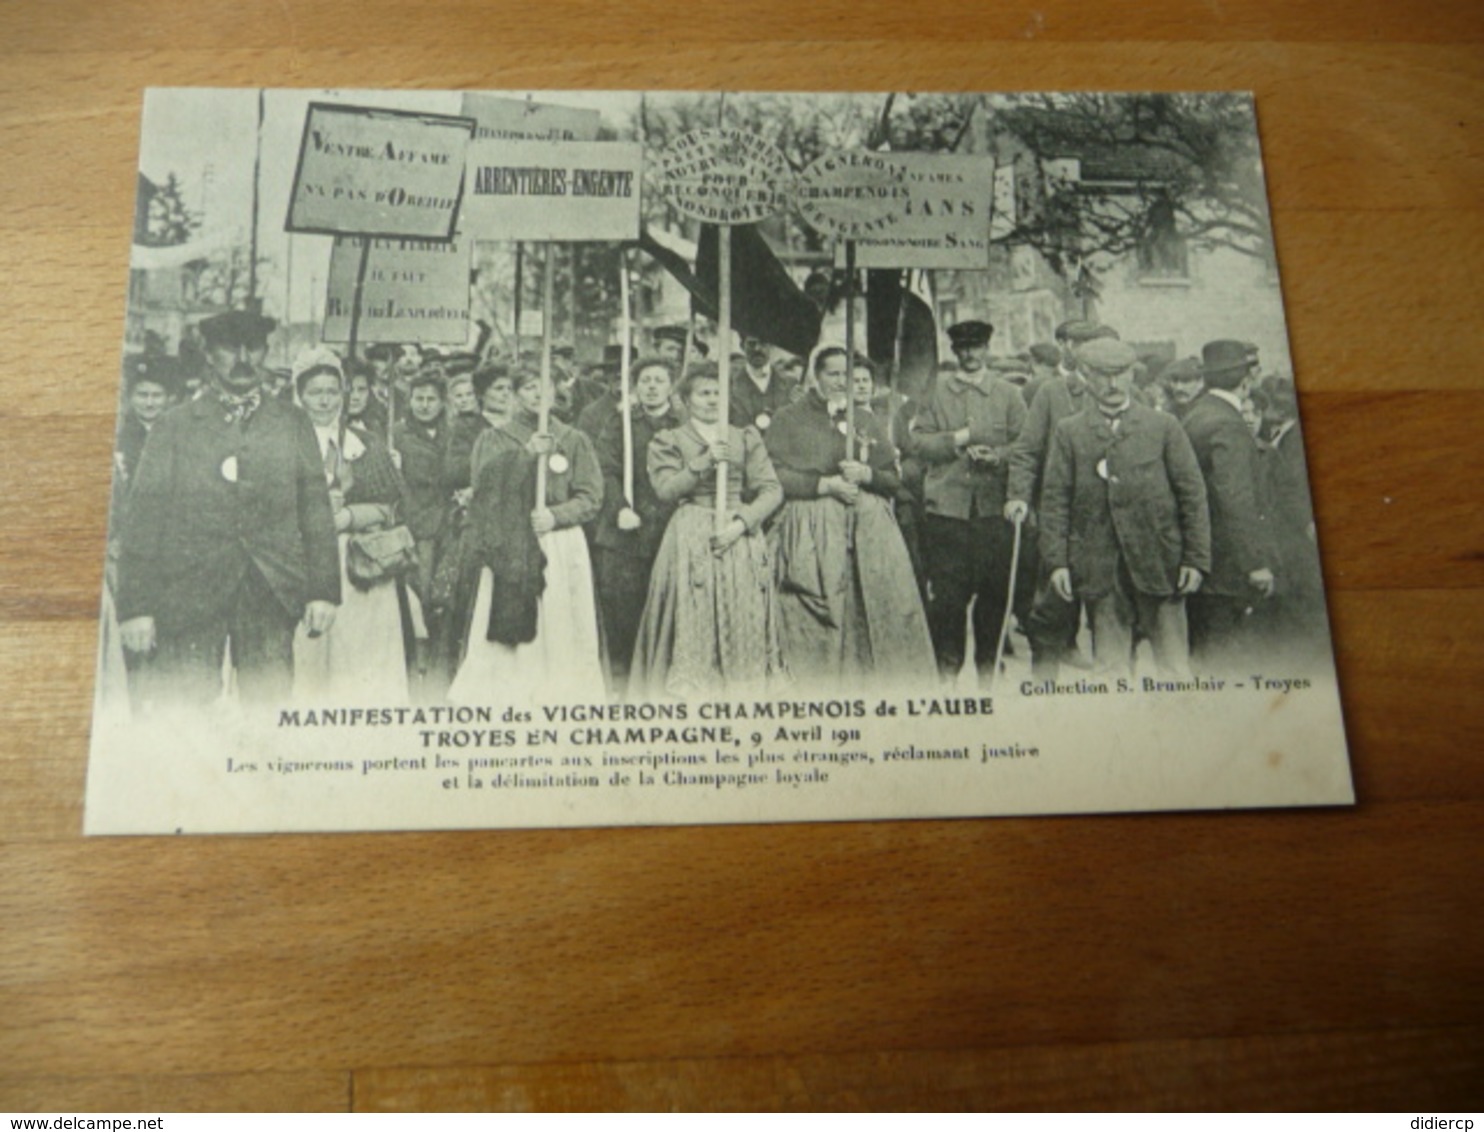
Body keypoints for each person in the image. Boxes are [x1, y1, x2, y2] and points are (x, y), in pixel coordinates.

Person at [115, 309, 340, 708]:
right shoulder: (175, 425)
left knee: (269, 710)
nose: (241, 358)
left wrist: (323, 591)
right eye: (228, 348)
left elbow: (316, 511)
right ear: (209, 354)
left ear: (265, 351)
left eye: (252, 347)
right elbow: (144, 519)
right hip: (189, 592)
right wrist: (136, 607)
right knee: (184, 712)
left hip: (269, 589)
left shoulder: (292, 423)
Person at [1038, 339, 1211, 678]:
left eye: (1121, 374)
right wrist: (1057, 562)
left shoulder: (1163, 428)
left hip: (1162, 564)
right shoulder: (1070, 432)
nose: (1113, 385)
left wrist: (1196, 558)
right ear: (1086, 376)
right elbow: (1055, 500)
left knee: (1175, 670)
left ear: (1133, 374)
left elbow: (1192, 495)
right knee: (1110, 672)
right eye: (1103, 375)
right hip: (1101, 568)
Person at [765, 348, 935, 689]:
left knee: (876, 605)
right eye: (833, 374)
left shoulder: (867, 419)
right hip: (810, 527)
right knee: (817, 608)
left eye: (847, 374)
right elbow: (772, 474)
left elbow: (892, 478)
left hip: (869, 532)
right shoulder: (788, 417)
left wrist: (868, 473)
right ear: (816, 376)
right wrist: (822, 484)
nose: (841, 382)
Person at [448, 366, 604, 702]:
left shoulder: (573, 439)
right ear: (515, 394)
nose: (536, 394)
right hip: (512, 540)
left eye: (543, 386)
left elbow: (591, 496)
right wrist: (526, 456)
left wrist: (557, 515)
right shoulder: (495, 438)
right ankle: (512, 691)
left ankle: (561, 691)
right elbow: (485, 492)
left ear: (553, 392)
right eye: (527, 387)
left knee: (561, 616)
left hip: (559, 541)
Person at [630, 362, 785, 700]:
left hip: (738, 534)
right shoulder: (668, 439)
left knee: (743, 612)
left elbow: (771, 490)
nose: (713, 400)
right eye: (704, 394)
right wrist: (703, 462)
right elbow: (666, 489)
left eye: (718, 393)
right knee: (692, 613)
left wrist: (742, 522)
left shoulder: (744, 436)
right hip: (691, 535)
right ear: (686, 400)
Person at [908, 319, 1028, 684]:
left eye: (976, 347)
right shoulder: (936, 392)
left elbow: (1025, 447)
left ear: (987, 349)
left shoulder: (1008, 394)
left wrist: (998, 456)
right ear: (954, 351)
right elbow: (918, 442)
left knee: (993, 597)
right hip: (947, 511)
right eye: (962, 348)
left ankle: (988, 670)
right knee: (948, 598)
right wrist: (958, 439)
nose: (969, 355)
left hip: (994, 512)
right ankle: (949, 671)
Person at [291, 347, 410, 702]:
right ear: (300, 396)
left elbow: (392, 507)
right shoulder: (284, 443)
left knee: (358, 654)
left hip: (357, 565)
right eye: (315, 393)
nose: (325, 401)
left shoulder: (366, 443)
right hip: (304, 559)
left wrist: (348, 517)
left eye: (332, 392)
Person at [1006, 336, 1100, 677]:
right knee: (1050, 607)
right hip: (1059, 515)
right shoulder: (1051, 393)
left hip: (1110, 519)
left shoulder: (1133, 399)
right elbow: (1026, 450)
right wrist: (1019, 496)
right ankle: (1044, 689)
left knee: (1113, 612)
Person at [1180, 339, 1277, 670]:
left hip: (1200, 558)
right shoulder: (1228, 423)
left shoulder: (1196, 413)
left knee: (1202, 653)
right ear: (1246, 379)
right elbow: (1234, 497)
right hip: (1227, 567)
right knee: (1225, 662)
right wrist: (1254, 563)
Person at [590, 357, 682, 696]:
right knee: (625, 609)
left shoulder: (681, 424)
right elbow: (605, 469)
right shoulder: (621, 423)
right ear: (636, 387)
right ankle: (622, 684)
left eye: (660, 380)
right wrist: (619, 508)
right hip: (627, 531)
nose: (653, 387)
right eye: (645, 381)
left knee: (669, 607)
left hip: (669, 527)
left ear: (671, 386)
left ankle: (661, 683)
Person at [730, 334, 793, 434]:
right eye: (751, 344)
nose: (757, 349)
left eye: (763, 343)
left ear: (771, 346)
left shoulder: (791, 385)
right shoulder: (728, 384)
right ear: (742, 346)